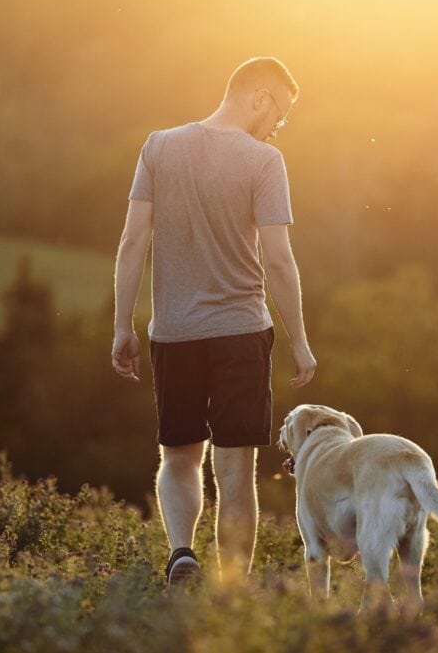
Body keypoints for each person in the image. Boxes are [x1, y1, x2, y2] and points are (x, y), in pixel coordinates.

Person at [111, 56, 316, 587]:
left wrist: (122, 327)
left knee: (179, 457)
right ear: (260, 98)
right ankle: (230, 600)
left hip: (173, 334)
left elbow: (133, 241)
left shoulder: (158, 146)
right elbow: (278, 261)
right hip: (241, 334)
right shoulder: (264, 162)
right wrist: (300, 342)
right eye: (281, 115)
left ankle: (182, 553)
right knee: (234, 472)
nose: (277, 128)